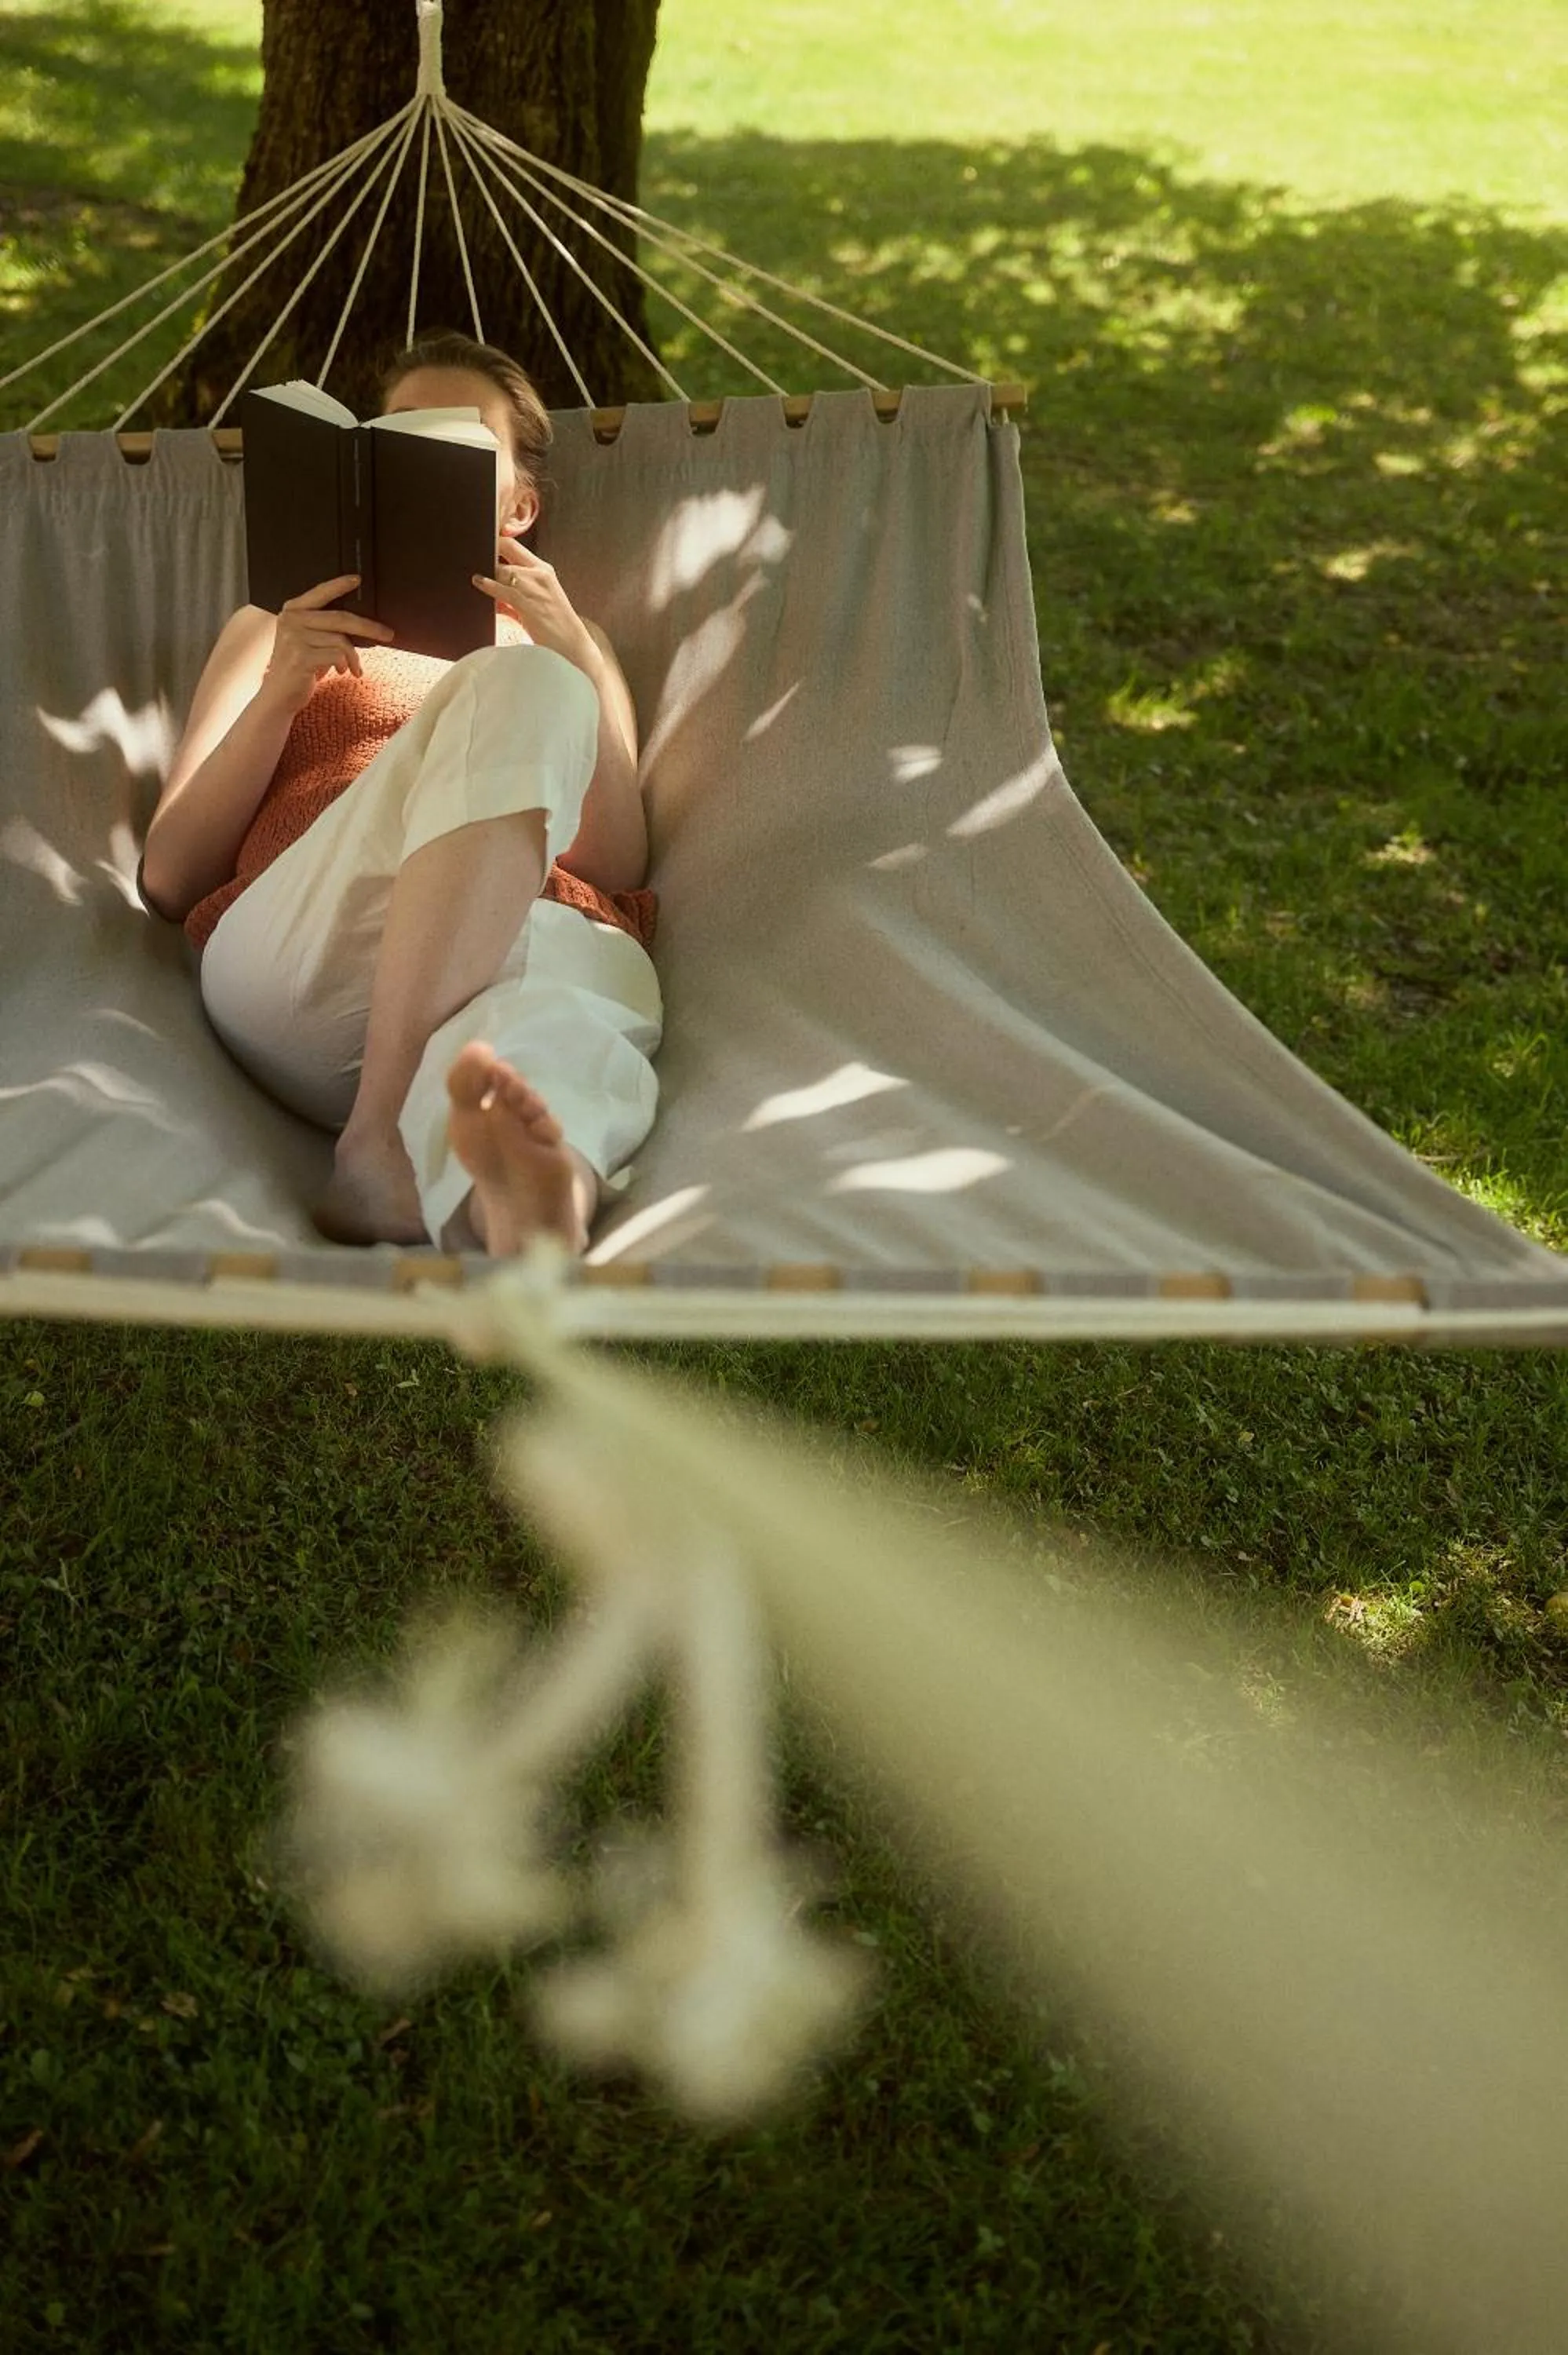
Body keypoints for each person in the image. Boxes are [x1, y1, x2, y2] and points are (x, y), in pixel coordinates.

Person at [139, 331, 661, 1260]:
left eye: (458, 442)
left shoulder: (570, 646)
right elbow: (171, 876)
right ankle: (378, 1136)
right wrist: (281, 693)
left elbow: (614, 862)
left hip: (531, 946)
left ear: (521, 504)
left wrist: (568, 647)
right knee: (523, 690)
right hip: (318, 957)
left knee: (553, 1039)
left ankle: (530, 1206)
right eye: (401, 436)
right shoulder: (276, 624)